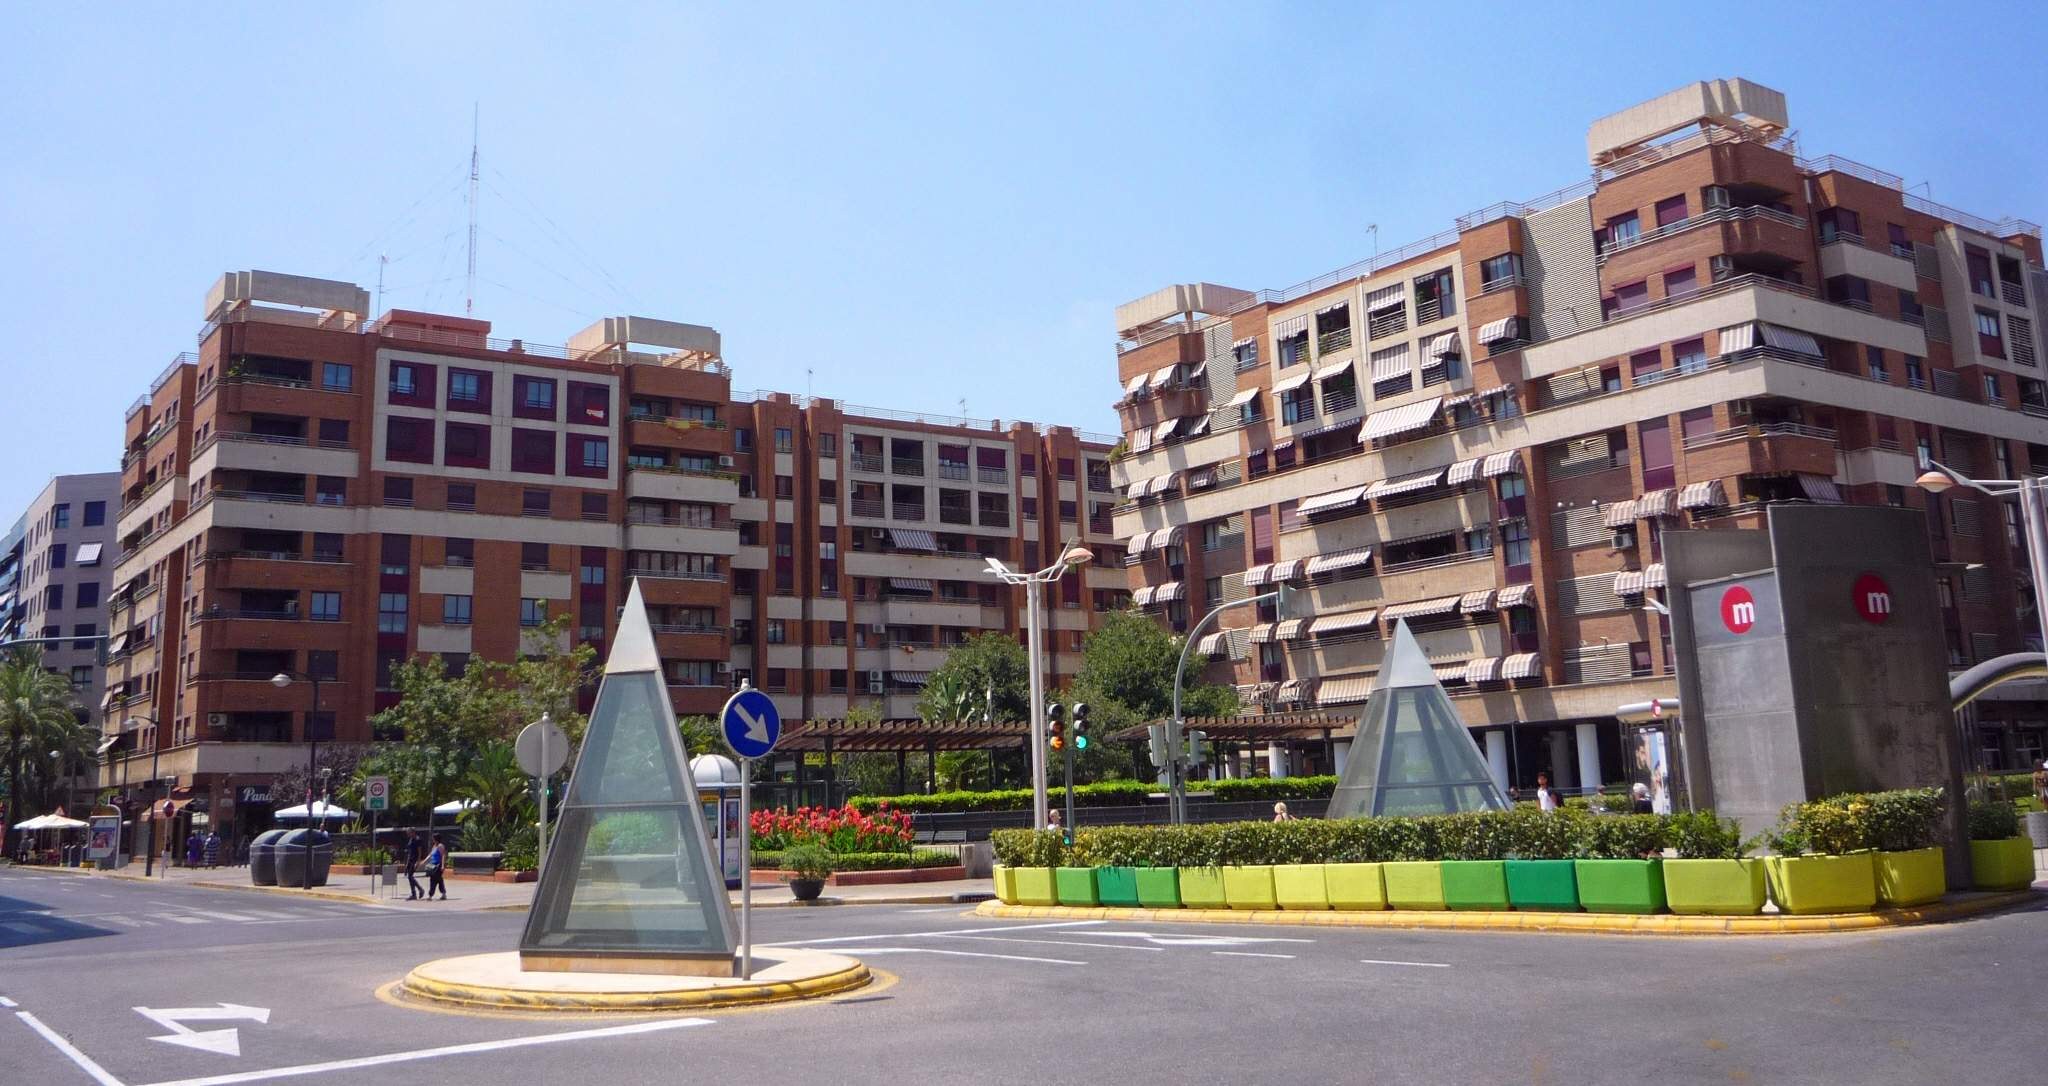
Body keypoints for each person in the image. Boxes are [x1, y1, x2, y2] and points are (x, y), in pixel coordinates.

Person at [402, 830, 425, 901]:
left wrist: (418, 861)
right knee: (409, 877)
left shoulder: (418, 839)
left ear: (413, 832)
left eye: (409, 833)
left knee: (410, 876)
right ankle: (414, 894)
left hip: (414, 860)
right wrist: (407, 863)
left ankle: (420, 889)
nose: (408, 834)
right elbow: (409, 851)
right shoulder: (411, 839)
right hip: (410, 860)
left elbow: (419, 851)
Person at [424, 834, 448, 901]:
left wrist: (443, 865)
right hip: (432, 865)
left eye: (433, 838)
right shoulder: (434, 846)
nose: (432, 840)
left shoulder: (440, 846)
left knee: (433, 880)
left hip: (438, 865)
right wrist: (424, 861)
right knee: (439, 880)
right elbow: (430, 855)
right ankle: (443, 893)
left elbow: (443, 855)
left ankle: (430, 895)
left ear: (436, 839)